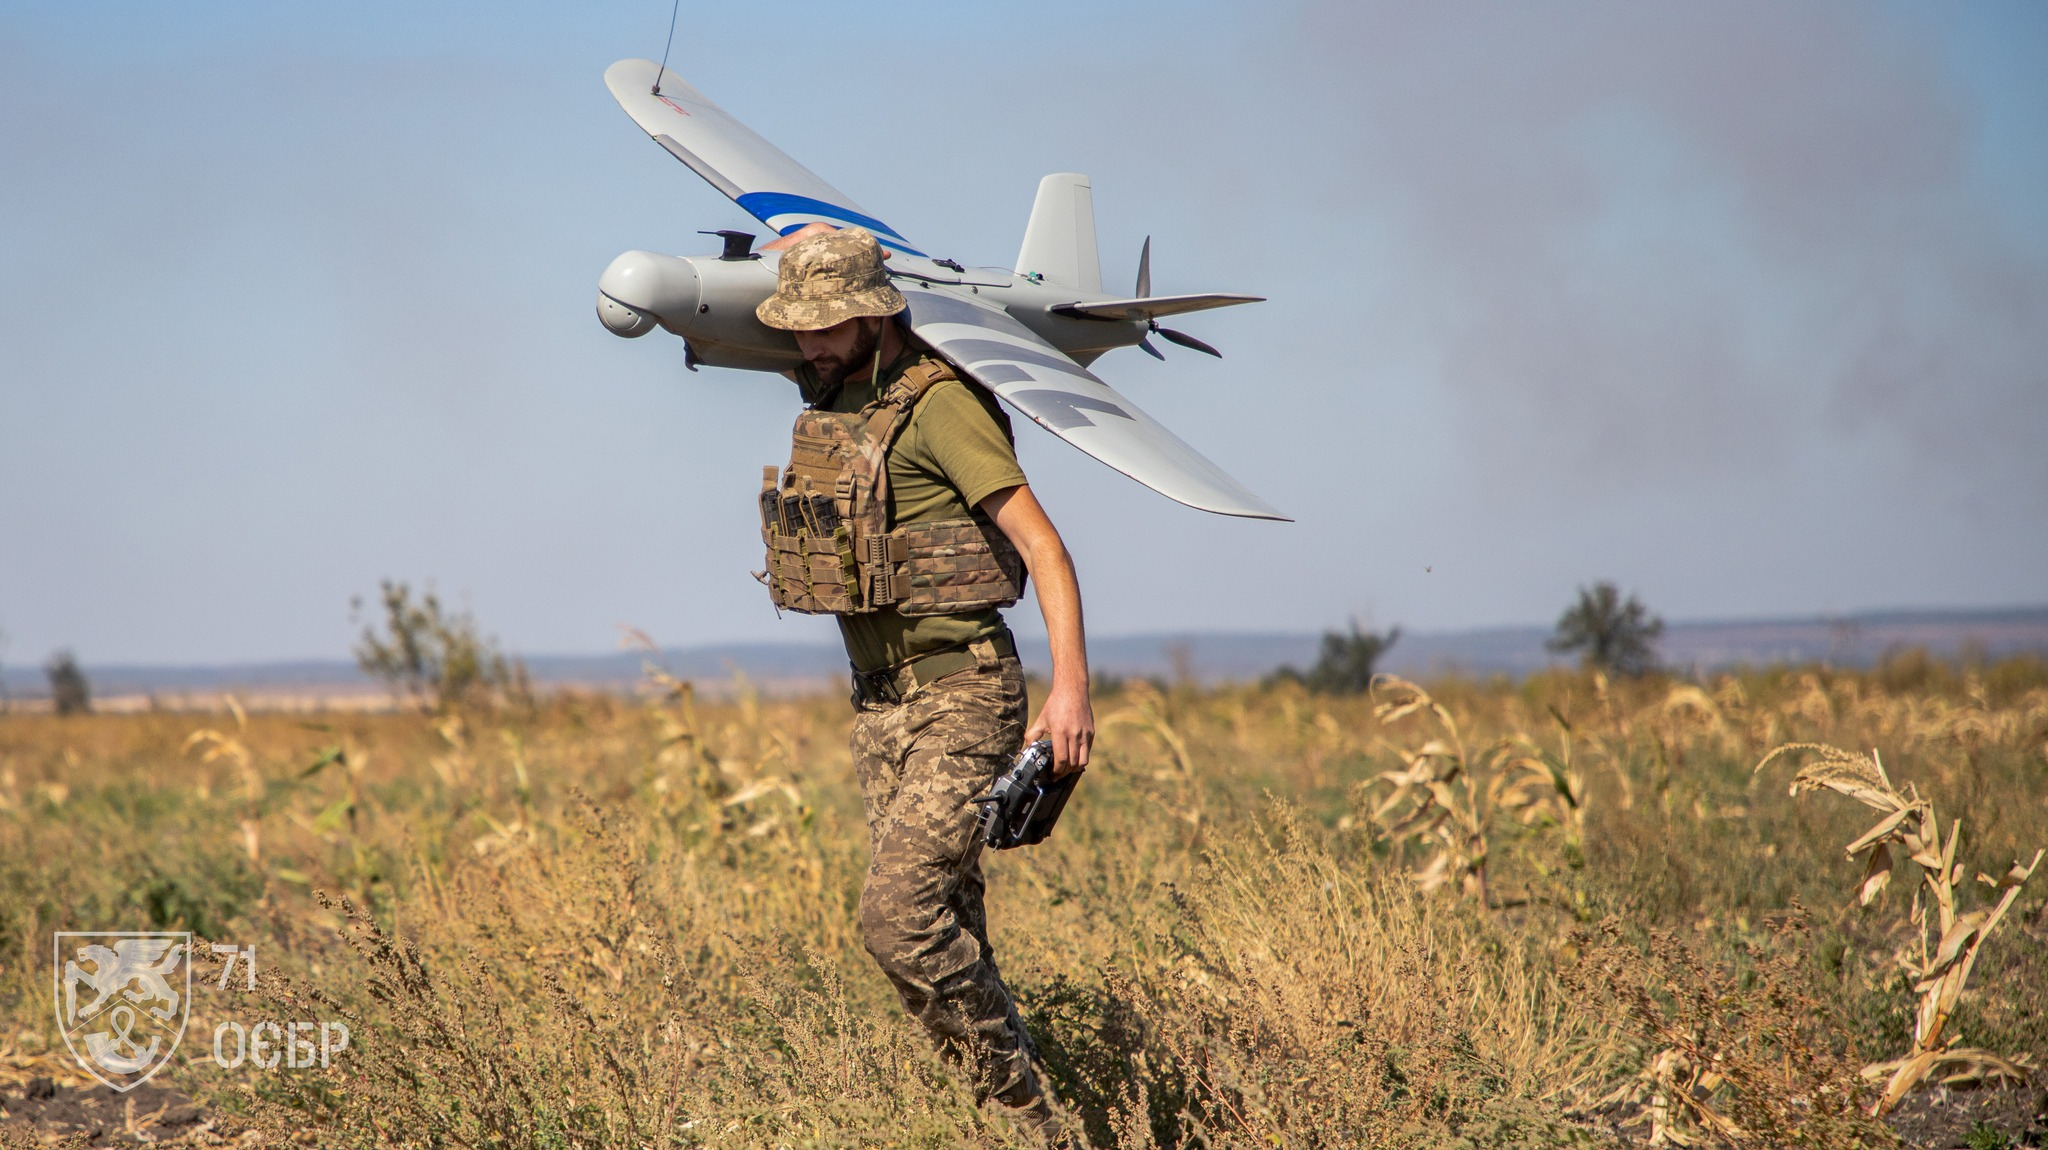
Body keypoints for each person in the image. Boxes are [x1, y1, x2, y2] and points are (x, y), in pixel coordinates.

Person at [751, 224, 1093, 1131]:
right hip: (882, 710)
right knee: (954, 924)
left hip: (966, 695)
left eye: (829, 323)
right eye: (799, 325)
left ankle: (1032, 1119)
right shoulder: (835, 394)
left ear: (877, 312)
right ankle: (1009, 1109)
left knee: (897, 921)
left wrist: (1070, 693)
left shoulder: (942, 406)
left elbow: (1044, 549)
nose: (810, 340)